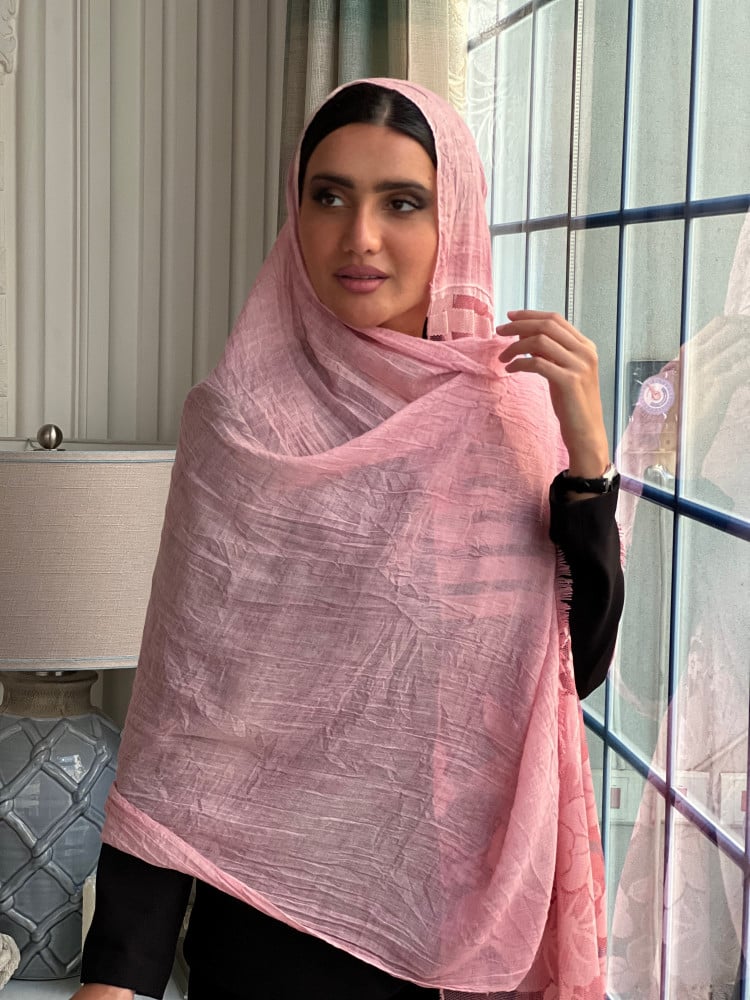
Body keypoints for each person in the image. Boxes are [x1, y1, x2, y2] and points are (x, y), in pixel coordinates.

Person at [72, 78, 623, 1000]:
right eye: (329, 197)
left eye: (401, 203)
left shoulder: (510, 419)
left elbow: (572, 674)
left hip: (456, 926)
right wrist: (118, 976)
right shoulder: (238, 425)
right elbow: (187, 723)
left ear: (454, 220)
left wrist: (589, 462)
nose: (359, 237)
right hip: (264, 934)